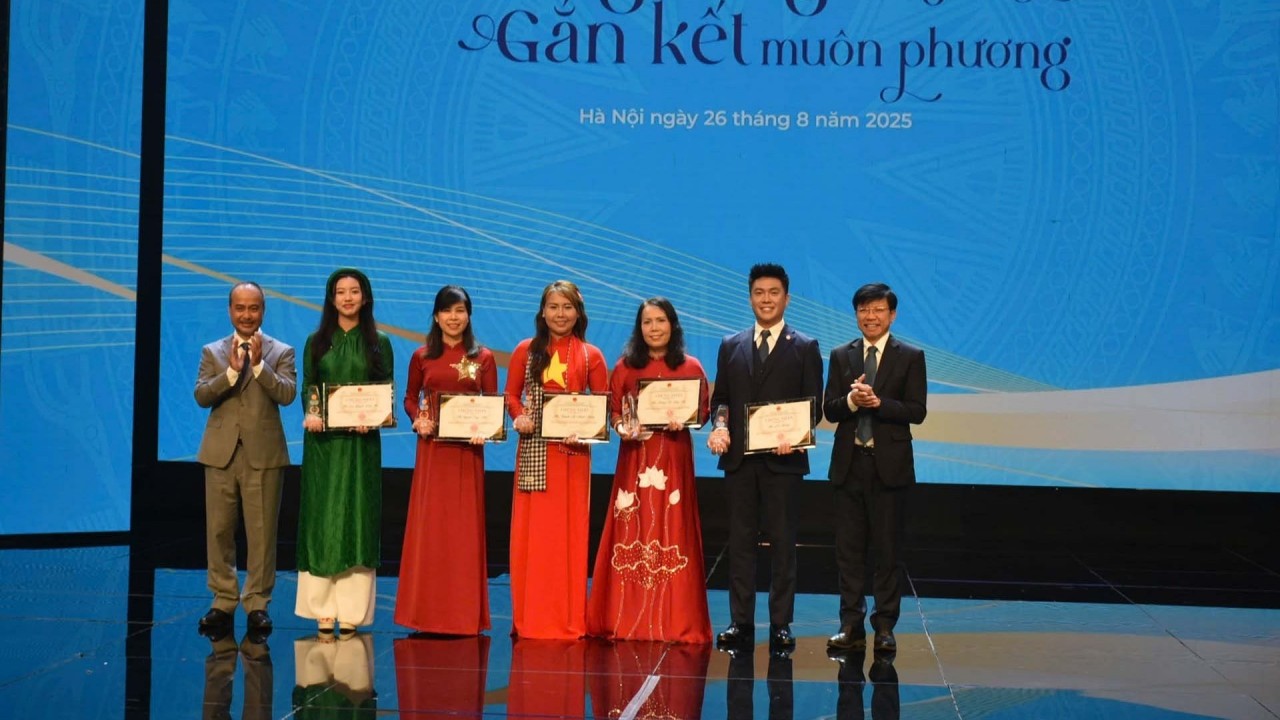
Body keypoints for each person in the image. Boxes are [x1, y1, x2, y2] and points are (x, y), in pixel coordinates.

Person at [706, 262, 823, 651]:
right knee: (739, 544)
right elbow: (720, 400)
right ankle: (741, 623)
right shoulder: (730, 345)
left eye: (774, 293)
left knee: (783, 544)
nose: (766, 299)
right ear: (750, 297)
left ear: (786, 298)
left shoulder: (805, 347)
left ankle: (780, 624)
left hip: (783, 463)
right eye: (759, 292)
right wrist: (720, 425)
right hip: (739, 463)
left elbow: (815, 407)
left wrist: (795, 435)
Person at [587, 297, 712, 643]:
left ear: (673, 325)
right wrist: (622, 428)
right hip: (636, 459)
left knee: (673, 528)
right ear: (639, 328)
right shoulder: (626, 367)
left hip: (673, 459)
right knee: (633, 528)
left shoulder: (691, 367)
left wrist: (684, 420)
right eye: (647, 322)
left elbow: (701, 414)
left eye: (660, 321)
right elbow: (614, 414)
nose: (654, 328)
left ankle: (675, 621)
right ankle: (628, 617)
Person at [823, 283, 926, 654]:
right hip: (849, 464)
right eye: (864, 310)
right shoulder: (840, 355)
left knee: (887, 550)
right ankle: (850, 624)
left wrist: (880, 403)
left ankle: (884, 626)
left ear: (892, 314)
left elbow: (917, 411)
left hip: (890, 467)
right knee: (848, 551)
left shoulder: (911, 356)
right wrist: (851, 400)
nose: (871, 317)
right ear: (856, 315)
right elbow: (830, 409)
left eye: (878, 310)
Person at [503, 280, 608, 639]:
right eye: (553, 307)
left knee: (569, 536)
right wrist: (519, 417)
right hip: (535, 453)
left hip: (572, 456)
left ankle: (566, 618)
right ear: (542, 312)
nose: (560, 314)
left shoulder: (591, 355)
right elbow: (511, 396)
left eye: (567, 307)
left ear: (578, 313)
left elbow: (602, 405)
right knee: (533, 537)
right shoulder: (524, 350)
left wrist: (588, 428)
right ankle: (531, 618)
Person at [194, 281, 297, 636]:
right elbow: (202, 395)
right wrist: (233, 372)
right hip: (220, 454)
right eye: (240, 308)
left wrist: (257, 367)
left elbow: (286, 394)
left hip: (263, 455)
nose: (247, 314)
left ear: (263, 311)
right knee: (219, 531)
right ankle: (223, 601)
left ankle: (257, 603)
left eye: (254, 308)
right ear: (230, 311)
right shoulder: (213, 351)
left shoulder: (281, 351)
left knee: (262, 534)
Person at [296, 268, 394, 634]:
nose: (348, 298)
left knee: (358, 517)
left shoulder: (378, 342)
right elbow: (309, 383)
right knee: (322, 519)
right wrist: (314, 411)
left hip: (361, 444)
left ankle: (352, 610)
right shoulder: (316, 341)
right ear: (331, 298)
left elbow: (385, 388)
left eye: (355, 291)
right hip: (323, 445)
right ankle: (321, 607)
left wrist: (374, 417)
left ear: (365, 297)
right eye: (341, 292)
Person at [396, 285, 497, 635]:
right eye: (447, 311)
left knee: (464, 532)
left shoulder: (483, 357)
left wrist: (486, 428)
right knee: (432, 529)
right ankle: (426, 614)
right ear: (436, 316)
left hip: (468, 453)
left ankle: (462, 615)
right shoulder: (421, 356)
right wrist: (417, 419)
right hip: (433, 452)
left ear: (469, 316)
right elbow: (410, 398)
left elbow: (491, 403)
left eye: (460, 311)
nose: (454, 318)